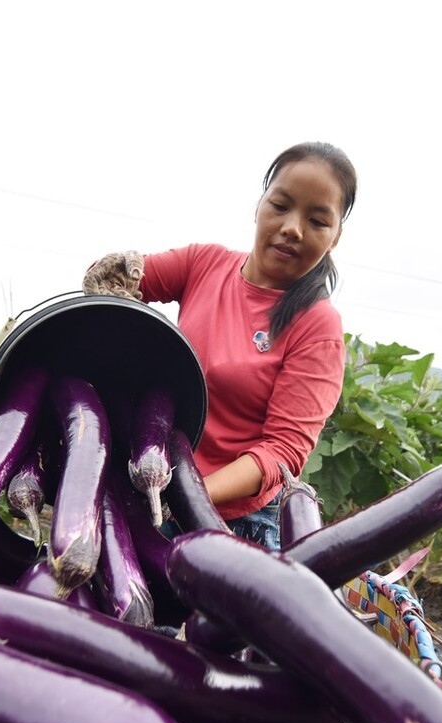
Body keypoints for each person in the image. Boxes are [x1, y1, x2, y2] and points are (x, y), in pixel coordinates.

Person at [83, 141, 356, 550]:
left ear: (335, 237)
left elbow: (282, 454)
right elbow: (120, 282)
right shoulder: (204, 264)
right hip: (148, 487)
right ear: (261, 204)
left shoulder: (318, 325)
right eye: (281, 205)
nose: (293, 228)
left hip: (236, 525)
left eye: (317, 220)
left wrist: (190, 497)